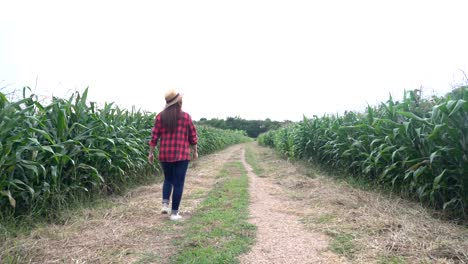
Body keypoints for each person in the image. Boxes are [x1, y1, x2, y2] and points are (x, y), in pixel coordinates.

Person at [148, 89, 198, 221]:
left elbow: (154, 136)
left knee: (168, 179)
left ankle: (165, 204)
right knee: (178, 183)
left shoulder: (160, 116)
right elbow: (193, 136)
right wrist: (195, 151)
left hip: (165, 154)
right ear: (179, 101)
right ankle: (174, 214)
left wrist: (151, 153)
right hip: (182, 155)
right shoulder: (186, 117)